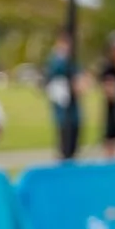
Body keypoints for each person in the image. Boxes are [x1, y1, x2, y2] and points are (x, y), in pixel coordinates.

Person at [44, 30, 81, 161]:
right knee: (63, 143)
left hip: (74, 111)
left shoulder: (73, 61)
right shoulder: (55, 61)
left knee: (73, 145)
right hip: (62, 111)